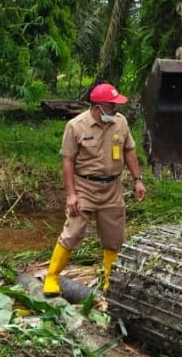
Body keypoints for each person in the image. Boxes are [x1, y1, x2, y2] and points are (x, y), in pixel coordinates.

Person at [43, 82, 147, 296]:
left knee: (113, 237)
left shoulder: (120, 122)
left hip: (112, 188)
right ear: (98, 107)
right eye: (111, 106)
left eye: (116, 105)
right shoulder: (76, 126)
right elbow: (68, 161)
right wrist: (71, 195)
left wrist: (137, 180)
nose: (115, 109)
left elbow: (129, 151)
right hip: (85, 187)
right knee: (72, 232)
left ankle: (109, 282)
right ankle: (52, 277)